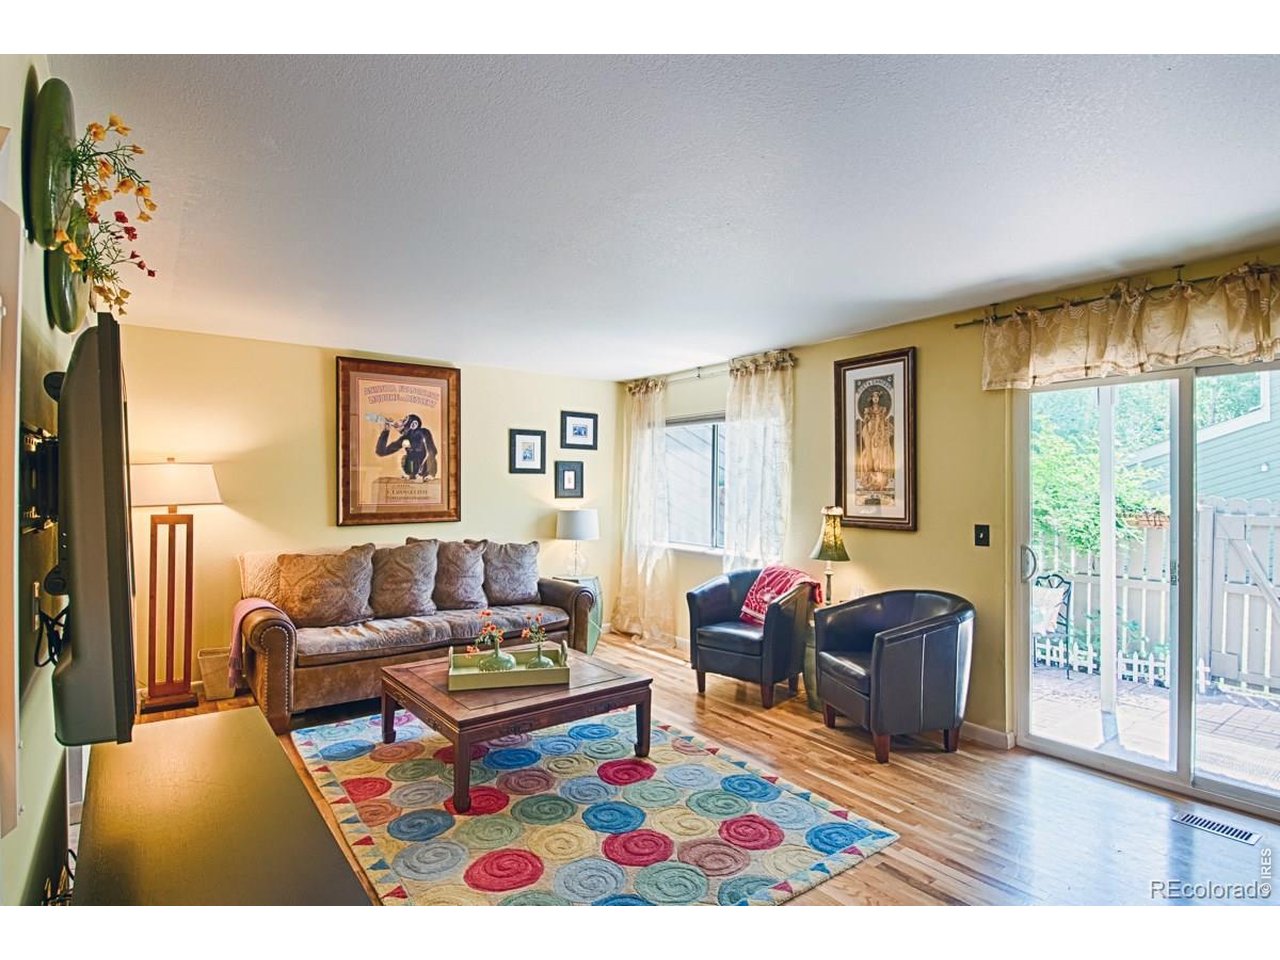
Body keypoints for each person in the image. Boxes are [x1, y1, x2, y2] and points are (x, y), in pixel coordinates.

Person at [374, 413, 438, 482]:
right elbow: (381, 452)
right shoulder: (405, 438)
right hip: (413, 468)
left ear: (413, 425)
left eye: (404, 420)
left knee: (429, 455)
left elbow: (432, 451)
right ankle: (411, 474)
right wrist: (386, 431)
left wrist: (413, 446)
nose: (400, 421)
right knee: (405, 458)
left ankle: (428, 474)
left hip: (426, 466)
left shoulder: (423, 432)